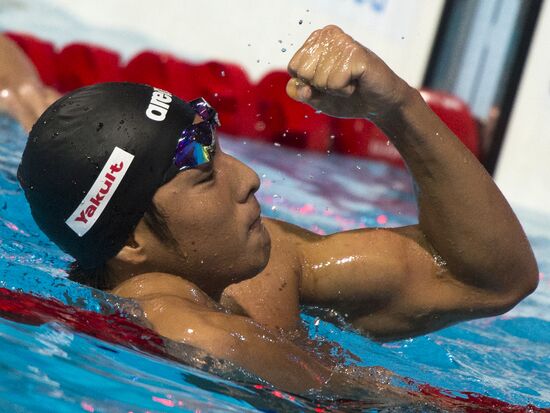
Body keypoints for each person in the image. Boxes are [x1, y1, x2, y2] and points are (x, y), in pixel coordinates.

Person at [8, 26, 539, 398]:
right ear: (131, 242)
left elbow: (491, 281)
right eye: (205, 174)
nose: (250, 178)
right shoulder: (198, 340)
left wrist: (396, 106)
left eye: (218, 146)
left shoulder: (258, 270)